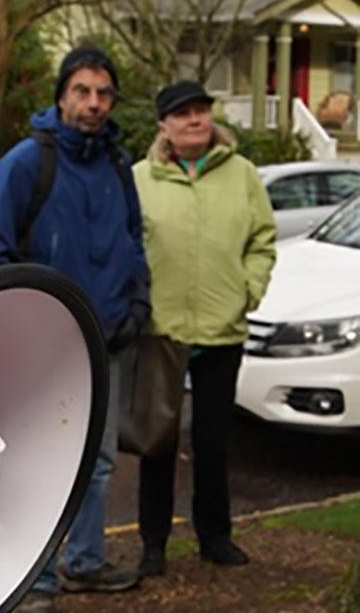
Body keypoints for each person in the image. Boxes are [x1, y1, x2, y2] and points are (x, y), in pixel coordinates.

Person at [0, 46, 149, 611]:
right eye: (82, 91)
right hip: (45, 350)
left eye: (104, 93)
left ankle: (86, 562)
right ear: (61, 96)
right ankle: (37, 580)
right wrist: (25, 330)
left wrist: (138, 302)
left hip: (108, 340)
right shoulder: (26, 163)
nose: (94, 103)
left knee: (99, 462)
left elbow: (133, 238)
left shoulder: (118, 164)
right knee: (40, 464)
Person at [131, 80, 275, 576]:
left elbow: (262, 239)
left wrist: (248, 290)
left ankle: (215, 537)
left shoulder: (243, 175)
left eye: (201, 111)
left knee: (213, 442)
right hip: (161, 330)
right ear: (163, 126)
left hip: (221, 329)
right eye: (182, 113)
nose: (195, 120)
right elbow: (126, 246)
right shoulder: (139, 179)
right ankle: (152, 544)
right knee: (158, 443)